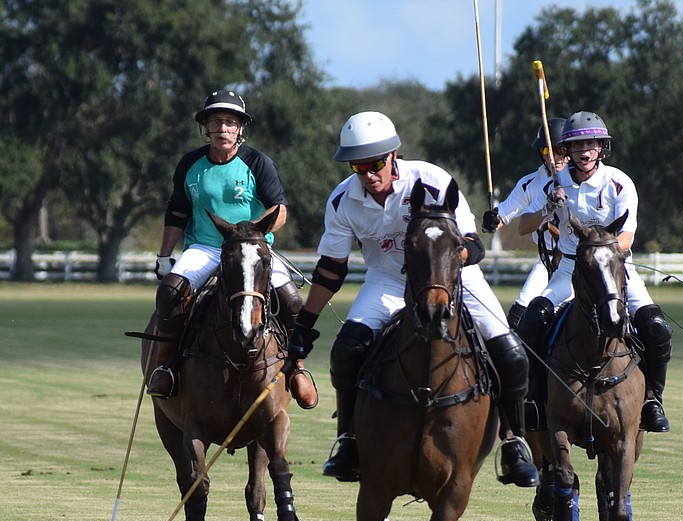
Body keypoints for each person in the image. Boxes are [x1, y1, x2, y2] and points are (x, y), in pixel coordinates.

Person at [283, 111, 539, 487]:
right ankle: (348, 439)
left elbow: (473, 245)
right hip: (388, 281)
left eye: (375, 164)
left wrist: (446, 260)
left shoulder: (432, 180)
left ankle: (514, 441)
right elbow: (330, 271)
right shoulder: (342, 201)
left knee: (511, 353)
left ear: (393, 155)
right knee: (345, 350)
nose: (368, 175)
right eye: (358, 166)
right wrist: (304, 327)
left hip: (453, 278)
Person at [147, 89, 317, 410]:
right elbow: (177, 212)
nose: (222, 129)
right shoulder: (190, 164)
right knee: (169, 294)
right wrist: (164, 255)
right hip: (207, 247)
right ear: (206, 128)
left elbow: (279, 209)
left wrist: (256, 233)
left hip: (252, 249)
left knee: (294, 303)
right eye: (215, 122)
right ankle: (166, 366)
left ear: (240, 128)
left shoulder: (257, 162)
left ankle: (297, 368)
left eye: (230, 122)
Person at [516, 111, 673, 432]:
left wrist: (600, 252)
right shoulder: (554, 183)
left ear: (602, 147)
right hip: (569, 270)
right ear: (568, 150)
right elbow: (523, 226)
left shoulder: (619, 182)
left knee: (656, 327)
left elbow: (627, 237)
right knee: (532, 320)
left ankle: (653, 400)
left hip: (615, 268)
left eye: (591, 144)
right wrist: (548, 206)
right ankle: (533, 400)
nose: (584, 151)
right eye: (577, 146)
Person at [481, 117, 570, 329]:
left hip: (576, 260)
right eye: (548, 151)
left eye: (561, 150)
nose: (555, 157)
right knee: (517, 317)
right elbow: (503, 216)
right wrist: (491, 220)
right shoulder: (530, 184)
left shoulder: (581, 180)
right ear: (541, 153)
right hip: (547, 261)